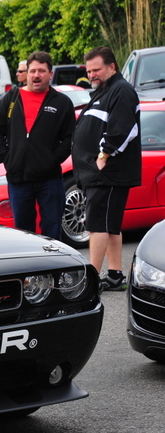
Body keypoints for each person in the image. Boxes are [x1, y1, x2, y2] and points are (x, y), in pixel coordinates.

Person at [72, 46, 141, 291]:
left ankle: (91, 281)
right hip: (100, 174)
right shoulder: (105, 90)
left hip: (107, 173)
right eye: (89, 71)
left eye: (96, 70)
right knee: (109, 226)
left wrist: (103, 156)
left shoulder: (121, 90)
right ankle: (115, 275)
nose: (91, 75)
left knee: (98, 226)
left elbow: (124, 129)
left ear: (112, 67)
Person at [0, 51, 75, 240]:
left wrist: (52, 160)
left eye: (41, 71)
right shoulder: (11, 98)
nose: (36, 75)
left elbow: (70, 138)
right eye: (33, 71)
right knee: (23, 233)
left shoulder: (62, 102)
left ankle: (53, 261)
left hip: (50, 179)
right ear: (27, 73)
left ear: (50, 74)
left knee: (52, 231)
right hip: (18, 178)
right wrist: (7, 158)